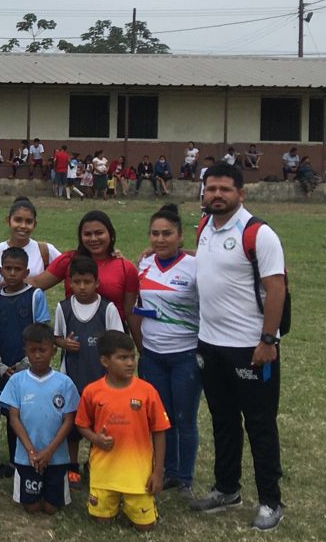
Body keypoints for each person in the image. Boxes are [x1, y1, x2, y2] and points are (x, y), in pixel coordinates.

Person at [190, 163, 288, 532]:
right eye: (211, 188)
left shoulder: (258, 233)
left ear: (240, 194)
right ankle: (227, 489)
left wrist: (267, 340)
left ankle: (270, 502)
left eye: (225, 189)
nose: (217, 195)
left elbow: (276, 289)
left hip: (251, 348)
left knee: (260, 425)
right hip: (210, 345)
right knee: (223, 420)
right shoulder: (204, 226)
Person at [131, 204, 200, 494]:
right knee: (161, 418)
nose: (160, 239)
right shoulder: (144, 264)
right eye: (155, 234)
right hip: (152, 356)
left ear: (180, 236)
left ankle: (185, 477)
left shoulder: (195, 266)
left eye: (167, 234)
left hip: (186, 355)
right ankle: (168, 470)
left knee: (185, 418)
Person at [76, 331, 169, 531]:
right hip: (104, 472)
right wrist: (95, 439)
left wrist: (158, 472)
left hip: (137, 473)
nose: (130, 363)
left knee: (145, 527)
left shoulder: (147, 391)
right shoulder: (92, 391)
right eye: (122, 358)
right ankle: (111, 500)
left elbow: (160, 431)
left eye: (132, 357)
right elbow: (81, 424)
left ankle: (132, 502)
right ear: (105, 361)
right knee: (102, 522)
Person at [52, 254, 124, 482]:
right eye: (77, 282)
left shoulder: (107, 309)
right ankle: (72, 465)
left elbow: (118, 341)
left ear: (97, 282)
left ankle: (94, 463)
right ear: (70, 283)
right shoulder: (64, 308)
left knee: (100, 425)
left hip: (101, 380)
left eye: (87, 282)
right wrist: (64, 343)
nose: (82, 287)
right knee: (72, 426)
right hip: (72, 379)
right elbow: (56, 337)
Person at [0, 246, 51, 474]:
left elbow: (42, 332)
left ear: (26, 271)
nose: (12, 273)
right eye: (8, 269)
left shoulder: (35, 296)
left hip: (23, 367)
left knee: (16, 410)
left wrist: (24, 364)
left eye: (17, 269)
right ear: (0, 271)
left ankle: (15, 458)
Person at [2, 323, 79, 515]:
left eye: (42, 350)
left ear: (53, 351)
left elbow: (69, 421)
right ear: (25, 351)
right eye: (32, 350)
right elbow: (14, 419)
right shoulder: (16, 381)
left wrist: (49, 451)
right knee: (32, 507)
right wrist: (31, 450)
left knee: (51, 508)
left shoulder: (65, 383)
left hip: (56, 457)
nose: (37, 355)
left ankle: (51, 488)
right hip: (27, 457)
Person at [17, 210, 139, 319]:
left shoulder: (126, 268)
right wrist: (6, 282)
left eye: (99, 233)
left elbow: (130, 313)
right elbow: (36, 283)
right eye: (87, 234)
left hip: (113, 334)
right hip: (74, 335)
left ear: (111, 234)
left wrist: (139, 339)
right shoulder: (69, 260)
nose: (93, 239)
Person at [0, 197, 56, 291]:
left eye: (29, 222)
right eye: (18, 220)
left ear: (34, 224)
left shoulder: (45, 250)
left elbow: (69, 269)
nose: (23, 226)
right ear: (8, 221)